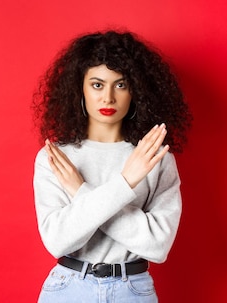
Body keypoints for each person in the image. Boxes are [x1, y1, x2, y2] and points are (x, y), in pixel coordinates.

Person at [32, 30, 191, 302]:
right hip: (69, 288)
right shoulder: (56, 157)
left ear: (136, 91)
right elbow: (58, 241)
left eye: (120, 85)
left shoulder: (155, 156)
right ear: (79, 88)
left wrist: (81, 191)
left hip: (133, 289)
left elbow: (158, 246)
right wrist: (125, 183)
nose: (108, 97)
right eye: (97, 84)